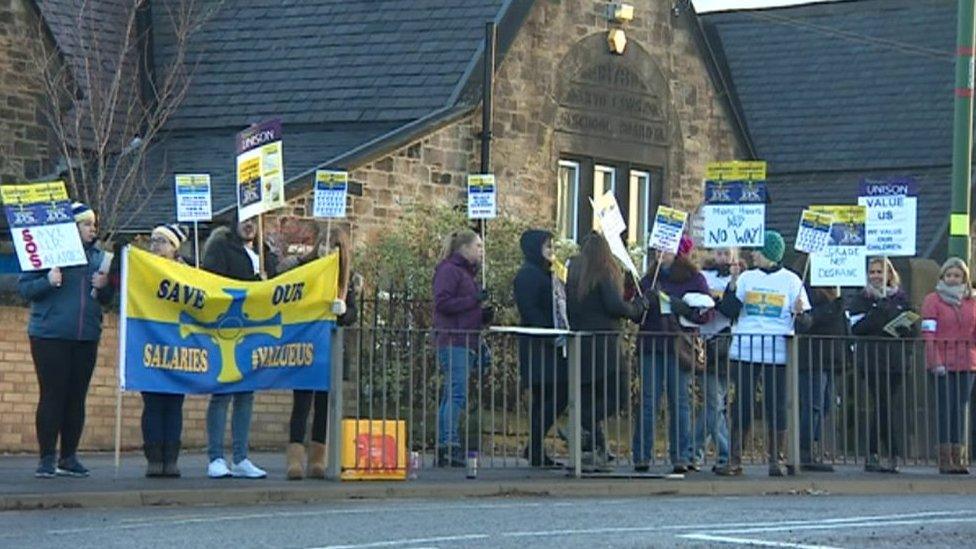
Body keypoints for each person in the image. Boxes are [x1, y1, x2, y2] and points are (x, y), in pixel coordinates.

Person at [20, 202, 114, 478]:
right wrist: (47, 280)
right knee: (52, 395)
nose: (92, 229)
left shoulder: (100, 258)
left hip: (86, 335)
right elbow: (26, 289)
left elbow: (108, 300)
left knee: (76, 397)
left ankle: (69, 456)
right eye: (86, 224)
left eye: (93, 224)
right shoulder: (47, 254)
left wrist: (105, 287)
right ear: (71, 227)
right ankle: (47, 457)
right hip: (49, 334)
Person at [718, 231, 811, 477]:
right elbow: (728, 310)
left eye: (757, 251)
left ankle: (776, 459)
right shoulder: (747, 278)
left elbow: (806, 322)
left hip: (777, 352)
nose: (752, 254)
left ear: (769, 254)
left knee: (776, 405)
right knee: (743, 404)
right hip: (746, 350)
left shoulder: (792, 281)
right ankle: (735, 459)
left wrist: (801, 313)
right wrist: (733, 285)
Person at [202, 213, 277, 479]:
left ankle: (241, 457)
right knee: (222, 393)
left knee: (246, 394)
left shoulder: (266, 253)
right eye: (245, 219)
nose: (249, 225)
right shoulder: (221, 247)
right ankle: (216, 457)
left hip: (254, 330)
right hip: (227, 327)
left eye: (254, 221)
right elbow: (212, 282)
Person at [633, 234, 712, 474]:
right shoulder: (649, 279)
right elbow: (637, 315)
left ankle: (681, 455)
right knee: (649, 401)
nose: (660, 255)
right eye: (657, 250)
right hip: (652, 344)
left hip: (679, 347)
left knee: (680, 402)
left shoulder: (693, 278)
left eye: (665, 250)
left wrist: (681, 307)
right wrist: (641, 300)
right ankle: (641, 455)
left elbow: (705, 314)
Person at [286, 227, 360, 480]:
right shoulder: (305, 270)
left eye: (335, 246)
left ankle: (319, 459)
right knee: (302, 404)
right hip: (306, 346)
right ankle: (295, 459)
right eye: (325, 244)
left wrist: (342, 312)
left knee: (323, 406)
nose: (329, 250)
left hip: (331, 349)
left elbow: (353, 313)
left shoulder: (346, 278)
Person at [566, 233, 645, 471]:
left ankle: (595, 448)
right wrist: (637, 308)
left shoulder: (576, 275)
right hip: (606, 347)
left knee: (592, 394)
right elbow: (614, 306)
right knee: (617, 397)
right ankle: (580, 426)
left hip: (583, 344)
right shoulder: (603, 272)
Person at [849, 257, 916, 474]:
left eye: (880, 271)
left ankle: (878, 453)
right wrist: (879, 311)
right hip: (870, 361)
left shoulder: (901, 298)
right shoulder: (862, 299)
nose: (876, 276)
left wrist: (904, 328)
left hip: (896, 362)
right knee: (883, 403)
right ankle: (885, 453)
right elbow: (857, 328)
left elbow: (913, 328)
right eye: (873, 271)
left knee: (884, 405)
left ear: (890, 274)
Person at [432, 230, 491, 467]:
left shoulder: (465, 274)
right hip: (454, 339)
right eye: (478, 246)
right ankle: (448, 443)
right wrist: (474, 301)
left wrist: (482, 314)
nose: (481, 250)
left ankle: (447, 442)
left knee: (453, 393)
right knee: (455, 393)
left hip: (465, 339)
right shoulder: (450, 270)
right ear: (464, 248)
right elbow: (442, 302)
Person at [513, 230, 569, 467]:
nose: (551, 252)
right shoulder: (527, 275)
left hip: (549, 345)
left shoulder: (545, 273)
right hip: (539, 345)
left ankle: (535, 448)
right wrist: (550, 330)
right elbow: (530, 310)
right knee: (553, 396)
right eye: (547, 247)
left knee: (549, 397)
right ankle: (535, 447)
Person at [792, 254, 848, 473]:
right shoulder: (807, 290)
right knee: (813, 405)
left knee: (824, 405)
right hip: (812, 356)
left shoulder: (835, 293)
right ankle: (805, 451)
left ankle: (812, 447)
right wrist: (835, 307)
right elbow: (810, 319)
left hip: (829, 358)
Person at [142, 224, 189, 477]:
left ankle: (171, 458)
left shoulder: (187, 273)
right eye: (152, 240)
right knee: (152, 404)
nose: (155, 245)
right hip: (150, 343)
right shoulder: (143, 269)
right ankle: (153, 457)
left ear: (174, 248)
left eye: (162, 241)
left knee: (173, 404)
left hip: (177, 345)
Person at [921, 257, 976, 474]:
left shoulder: (971, 301)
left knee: (960, 409)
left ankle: (958, 456)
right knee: (945, 408)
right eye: (949, 275)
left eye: (957, 276)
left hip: (967, 361)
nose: (953, 279)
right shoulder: (932, 300)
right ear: (942, 277)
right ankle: (944, 458)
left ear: (965, 278)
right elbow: (928, 333)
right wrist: (935, 361)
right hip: (943, 360)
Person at [693, 247, 738, 475]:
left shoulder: (738, 279)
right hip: (708, 345)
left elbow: (732, 310)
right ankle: (724, 452)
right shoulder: (703, 276)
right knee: (714, 403)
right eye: (719, 253)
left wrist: (725, 293)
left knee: (716, 404)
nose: (723, 258)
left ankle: (694, 449)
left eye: (727, 254)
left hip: (727, 345)